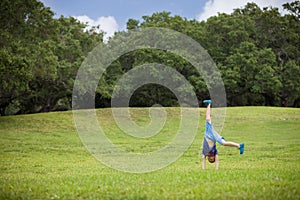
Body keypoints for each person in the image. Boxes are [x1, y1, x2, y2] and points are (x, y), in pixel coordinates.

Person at [201, 100, 244, 170]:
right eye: (212, 159)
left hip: (208, 134)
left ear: (208, 158)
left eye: (210, 159)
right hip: (214, 137)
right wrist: (216, 169)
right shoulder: (215, 152)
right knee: (224, 143)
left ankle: (208, 104)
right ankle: (239, 145)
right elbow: (217, 161)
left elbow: (203, 159)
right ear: (214, 157)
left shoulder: (205, 152)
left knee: (208, 119)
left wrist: (203, 170)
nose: (211, 158)